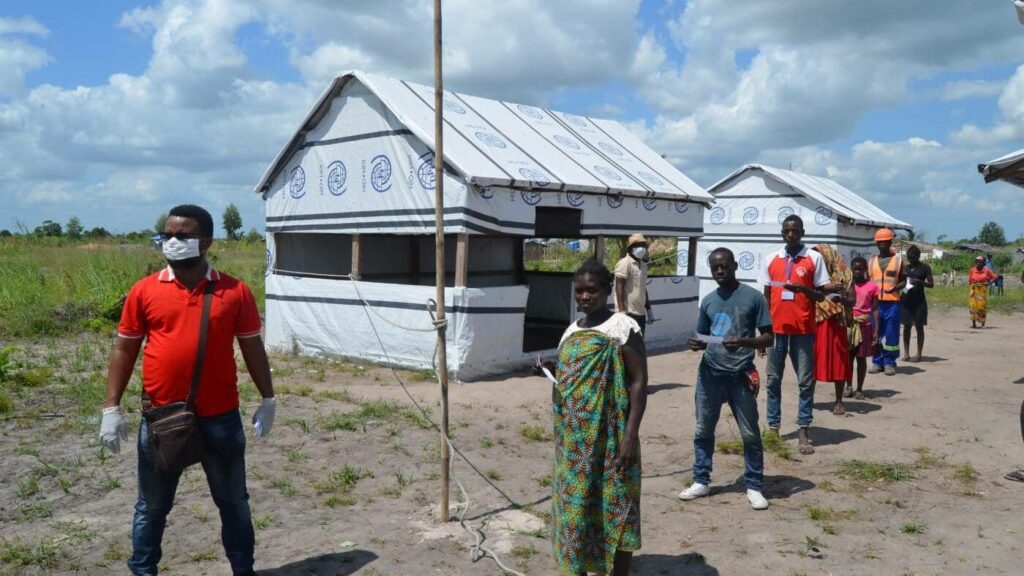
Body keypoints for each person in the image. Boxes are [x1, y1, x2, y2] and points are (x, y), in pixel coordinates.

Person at [99, 204, 275, 576]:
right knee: (152, 507)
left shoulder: (235, 292)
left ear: (206, 241)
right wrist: (110, 408)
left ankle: (244, 571)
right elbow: (125, 348)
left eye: (183, 235)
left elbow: (252, 347)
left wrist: (268, 397)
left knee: (234, 503)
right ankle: (143, 572)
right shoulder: (144, 291)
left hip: (221, 419)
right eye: (167, 235)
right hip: (163, 420)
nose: (172, 242)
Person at [539, 260, 647, 576]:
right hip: (573, 444)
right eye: (580, 291)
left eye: (592, 290)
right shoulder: (572, 331)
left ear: (606, 291)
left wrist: (629, 437)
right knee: (576, 510)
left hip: (612, 438)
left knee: (617, 507)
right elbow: (573, 374)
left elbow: (640, 382)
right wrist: (551, 367)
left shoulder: (622, 328)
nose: (585, 297)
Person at [679, 248, 773, 510]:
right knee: (703, 430)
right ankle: (701, 480)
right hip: (710, 374)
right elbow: (703, 334)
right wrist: (697, 343)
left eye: (724, 266)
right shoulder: (708, 301)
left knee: (750, 433)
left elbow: (769, 337)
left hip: (741, 374)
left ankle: (753, 485)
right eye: (715, 268)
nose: (720, 271)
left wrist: (743, 342)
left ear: (735, 265)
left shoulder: (753, 298)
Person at [757, 214, 829, 455]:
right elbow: (766, 297)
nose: (791, 235)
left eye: (795, 231)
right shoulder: (771, 259)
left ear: (802, 232)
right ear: (782, 233)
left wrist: (803, 290)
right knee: (773, 381)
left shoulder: (813, 258)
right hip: (776, 331)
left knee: (806, 382)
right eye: (787, 231)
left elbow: (821, 296)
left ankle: (804, 430)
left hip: (803, 330)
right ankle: (774, 428)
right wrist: (763, 331)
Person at [811, 245, 853, 416]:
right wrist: (824, 289)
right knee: (811, 362)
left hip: (836, 324)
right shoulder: (810, 274)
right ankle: (808, 398)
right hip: (815, 323)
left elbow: (852, 300)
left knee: (838, 361)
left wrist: (841, 297)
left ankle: (839, 401)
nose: (814, 261)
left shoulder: (845, 275)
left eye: (818, 257)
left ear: (827, 258)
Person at [868, 228, 905, 376]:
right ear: (876, 243)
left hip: (892, 303)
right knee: (875, 333)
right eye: (879, 242)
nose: (882, 244)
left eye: (885, 241)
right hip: (875, 304)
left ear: (890, 242)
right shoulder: (871, 262)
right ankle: (877, 361)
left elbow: (903, 281)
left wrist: (896, 287)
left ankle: (890, 362)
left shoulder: (898, 260)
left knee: (891, 334)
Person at [847, 257, 879, 400]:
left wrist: (876, 329)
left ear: (866, 270)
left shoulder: (872, 286)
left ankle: (859, 389)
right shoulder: (847, 285)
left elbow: (875, 309)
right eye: (855, 269)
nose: (858, 271)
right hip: (849, 325)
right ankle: (848, 386)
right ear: (851, 269)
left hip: (864, 325)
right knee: (848, 358)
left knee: (861, 358)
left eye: (861, 269)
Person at [900, 246, 933, 362]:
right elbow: (904, 284)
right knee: (906, 327)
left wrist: (919, 282)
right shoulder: (906, 268)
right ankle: (906, 354)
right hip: (906, 300)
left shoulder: (925, 268)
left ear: (918, 256)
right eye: (908, 257)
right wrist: (900, 296)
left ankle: (919, 354)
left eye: (912, 257)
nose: (910, 259)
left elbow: (931, 284)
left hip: (919, 302)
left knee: (919, 327)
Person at [614, 233, 651, 336]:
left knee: (639, 345)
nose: (642, 248)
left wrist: (649, 310)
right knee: (627, 345)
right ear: (631, 248)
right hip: (628, 313)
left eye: (644, 245)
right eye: (639, 245)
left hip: (640, 312)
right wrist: (622, 313)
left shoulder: (643, 265)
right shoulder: (624, 263)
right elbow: (619, 287)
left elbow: (643, 287)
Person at [968, 255, 998, 328]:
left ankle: (982, 324)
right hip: (974, 290)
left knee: (981, 307)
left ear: (983, 262)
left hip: (982, 290)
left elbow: (995, 277)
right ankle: (974, 324)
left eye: (980, 261)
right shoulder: (972, 270)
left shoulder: (986, 270)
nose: (978, 263)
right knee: (973, 306)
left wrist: (989, 283)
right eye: (977, 261)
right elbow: (970, 280)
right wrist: (973, 285)